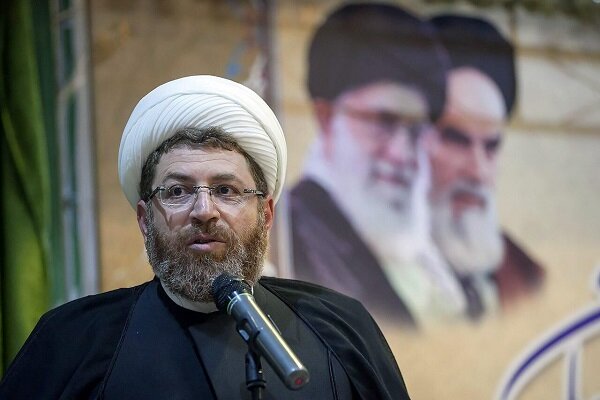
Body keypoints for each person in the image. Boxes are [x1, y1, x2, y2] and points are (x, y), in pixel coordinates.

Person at [0, 76, 410, 399]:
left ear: (266, 213)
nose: (204, 211)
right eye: (177, 191)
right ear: (144, 218)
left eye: (226, 190)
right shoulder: (72, 341)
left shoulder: (340, 328)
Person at [290, 2, 467, 327]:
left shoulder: (425, 260)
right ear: (326, 117)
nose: (402, 153)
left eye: (416, 131)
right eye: (383, 121)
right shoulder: (292, 233)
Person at [426, 15, 545, 319]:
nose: (477, 172)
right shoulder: (355, 263)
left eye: (491, 146)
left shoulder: (526, 276)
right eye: (456, 139)